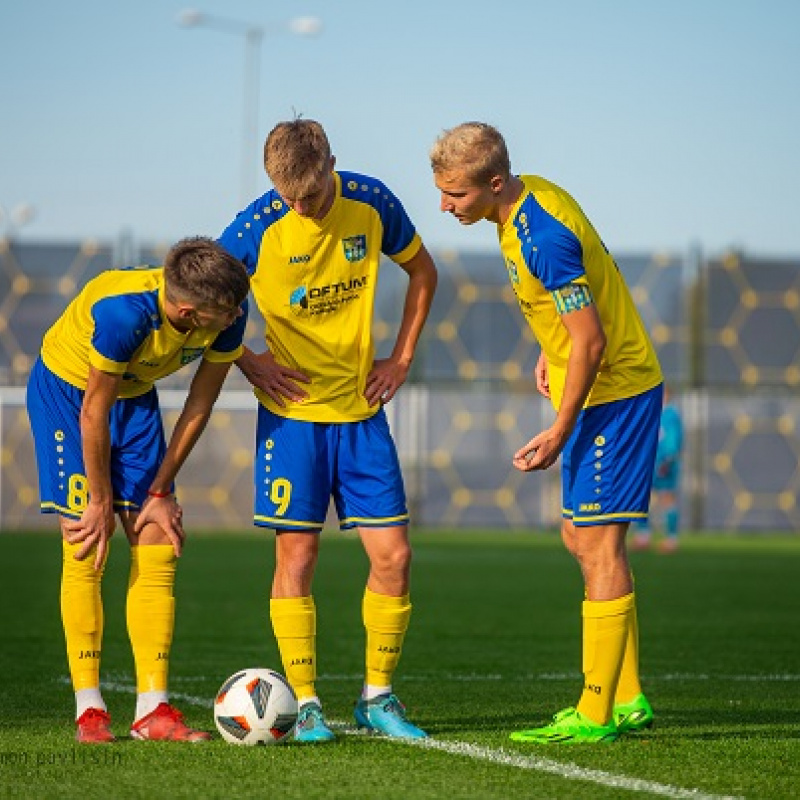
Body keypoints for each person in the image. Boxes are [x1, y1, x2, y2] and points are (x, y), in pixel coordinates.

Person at [430, 122, 663, 744]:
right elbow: (572, 321)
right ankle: (629, 694)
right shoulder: (526, 205)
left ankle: (595, 713)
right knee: (579, 535)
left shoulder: (544, 236)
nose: (445, 206)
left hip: (614, 396)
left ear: (494, 182)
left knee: (599, 543)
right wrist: (549, 350)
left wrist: (561, 426)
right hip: (592, 388)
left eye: (455, 194)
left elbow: (592, 338)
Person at [218, 118, 438, 742]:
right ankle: (307, 703)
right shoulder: (255, 227)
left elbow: (424, 274)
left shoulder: (372, 202)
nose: (300, 207)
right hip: (292, 422)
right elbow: (204, 299)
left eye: (311, 195)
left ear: (332, 165)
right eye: (287, 197)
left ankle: (378, 697)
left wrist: (401, 357)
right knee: (299, 556)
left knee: (395, 557)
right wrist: (249, 359)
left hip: (363, 416)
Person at [26, 237, 250, 743]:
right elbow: (92, 411)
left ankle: (154, 711)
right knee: (87, 542)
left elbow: (198, 406)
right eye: (227, 310)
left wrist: (161, 490)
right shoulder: (124, 315)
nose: (238, 315)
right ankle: (90, 710)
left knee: (156, 541)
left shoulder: (228, 315)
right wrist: (100, 500)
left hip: (133, 395)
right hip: (69, 393)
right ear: (190, 314)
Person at [633, 386, 684, 553]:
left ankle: (671, 539)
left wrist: (668, 460)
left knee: (667, 498)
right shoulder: (651, 413)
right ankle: (643, 536)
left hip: (664, 464)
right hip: (649, 462)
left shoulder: (671, 415)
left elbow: (673, 440)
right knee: (641, 497)